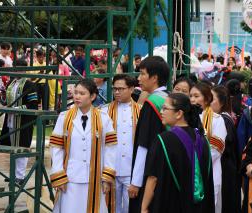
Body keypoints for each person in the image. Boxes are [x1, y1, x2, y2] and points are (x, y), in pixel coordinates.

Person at [50, 79, 117, 213]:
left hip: (95, 178)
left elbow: (110, 149)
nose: (77, 96)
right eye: (75, 93)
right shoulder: (64, 117)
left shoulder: (104, 118)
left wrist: (107, 176)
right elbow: (57, 148)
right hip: (70, 178)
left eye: (82, 93)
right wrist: (58, 175)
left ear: (92, 96)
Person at [141, 93, 214, 213]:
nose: (161, 111)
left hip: (170, 204)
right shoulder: (202, 139)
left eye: (165, 108)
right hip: (199, 207)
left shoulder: (163, 140)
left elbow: (153, 177)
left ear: (179, 113)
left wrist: (144, 207)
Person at [128, 56, 170, 213]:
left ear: (154, 78)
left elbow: (144, 144)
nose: (139, 78)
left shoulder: (152, 104)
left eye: (142, 74)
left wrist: (136, 182)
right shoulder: (168, 98)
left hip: (150, 173)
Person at [101, 74, 141, 213]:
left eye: (121, 89)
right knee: (110, 207)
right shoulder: (104, 111)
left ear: (131, 89)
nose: (116, 92)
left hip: (132, 169)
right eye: (114, 89)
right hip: (110, 169)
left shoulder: (141, 111)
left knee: (132, 207)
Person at [0, 59, 38, 184]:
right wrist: (3, 97)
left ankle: (20, 176)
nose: (17, 71)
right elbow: (6, 101)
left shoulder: (29, 84)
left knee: (22, 146)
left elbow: (33, 105)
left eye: (20, 68)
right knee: (13, 146)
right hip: (11, 119)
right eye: (16, 68)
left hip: (23, 119)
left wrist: (16, 109)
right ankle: (14, 174)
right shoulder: (11, 83)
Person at [190, 82, 227, 213]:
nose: (192, 99)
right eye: (191, 96)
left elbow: (216, 150)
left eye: (196, 96)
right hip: (188, 174)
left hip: (209, 171)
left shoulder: (217, 120)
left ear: (206, 99)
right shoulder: (185, 118)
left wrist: (193, 161)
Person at [211, 86, 241, 213]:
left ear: (222, 103)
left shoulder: (223, 120)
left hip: (225, 173)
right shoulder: (221, 118)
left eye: (211, 99)